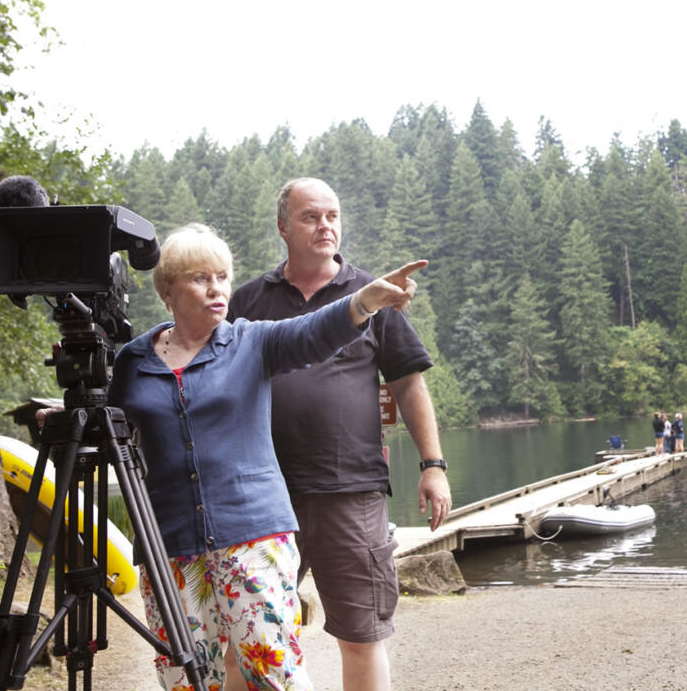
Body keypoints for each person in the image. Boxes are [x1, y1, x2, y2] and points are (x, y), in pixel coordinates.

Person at [48, 223, 426, 691]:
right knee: (185, 678)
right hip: (169, 542)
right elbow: (113, 427)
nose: (217, 289)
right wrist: (73, 415)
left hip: (254, 535)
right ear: (169, 289)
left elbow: (313, 332)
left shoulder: (252, 341)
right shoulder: (133, 360)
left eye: (223, 277)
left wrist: (363, 301)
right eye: (200, 278)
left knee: (272, 672)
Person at [226, 178, 452, 691]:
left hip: (350, 492)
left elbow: (410, 386)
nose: (325, 225)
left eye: (332, 215)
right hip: (263, 495)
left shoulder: (370, 295)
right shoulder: (248, 302)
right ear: (283, 226)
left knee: (361, 635)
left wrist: (433, 466)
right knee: (246, 634)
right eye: (310, 216)